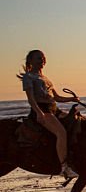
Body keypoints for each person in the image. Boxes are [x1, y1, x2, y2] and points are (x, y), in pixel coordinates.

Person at [18, 50, 79, 178]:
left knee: (77, 121)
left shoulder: (45, 78)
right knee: (61, 133)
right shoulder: (28, 77)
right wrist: (39, 113)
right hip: (42, 110)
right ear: (31, 61)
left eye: (43, 58)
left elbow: (56, 97)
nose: (42, 60)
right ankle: (64, 167)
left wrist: (71, 99)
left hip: (53, 109)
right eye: (39, 58)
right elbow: (31, 98)